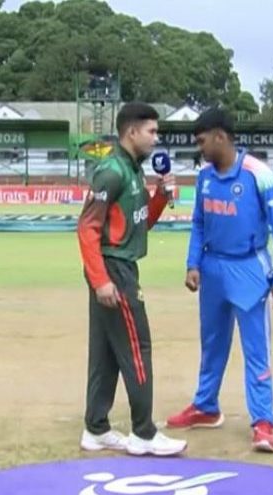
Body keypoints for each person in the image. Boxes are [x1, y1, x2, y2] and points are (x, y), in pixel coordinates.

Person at [165, 108, 273, 452]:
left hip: (249, 269)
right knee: (212, 345)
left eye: (202, 140)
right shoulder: (206, 175)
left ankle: (264, 422)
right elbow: (198, 223)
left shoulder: (258, 173)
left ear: (220, 136)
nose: (200, 148)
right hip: (213, 270)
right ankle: (206, 407)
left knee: (256, 350)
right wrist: (193, 263)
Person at [77, 102, 186, 457]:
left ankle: (96, 428)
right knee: (139, 348)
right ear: (131, 132)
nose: (157, 138)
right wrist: (101, 280)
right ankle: (143, 432)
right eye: (151, 131)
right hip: (114, 270)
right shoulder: (111, 171)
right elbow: (87, 227)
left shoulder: (134, 169)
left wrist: (161, 196)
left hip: (120, 265)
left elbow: (141, 223)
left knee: (107, 352)